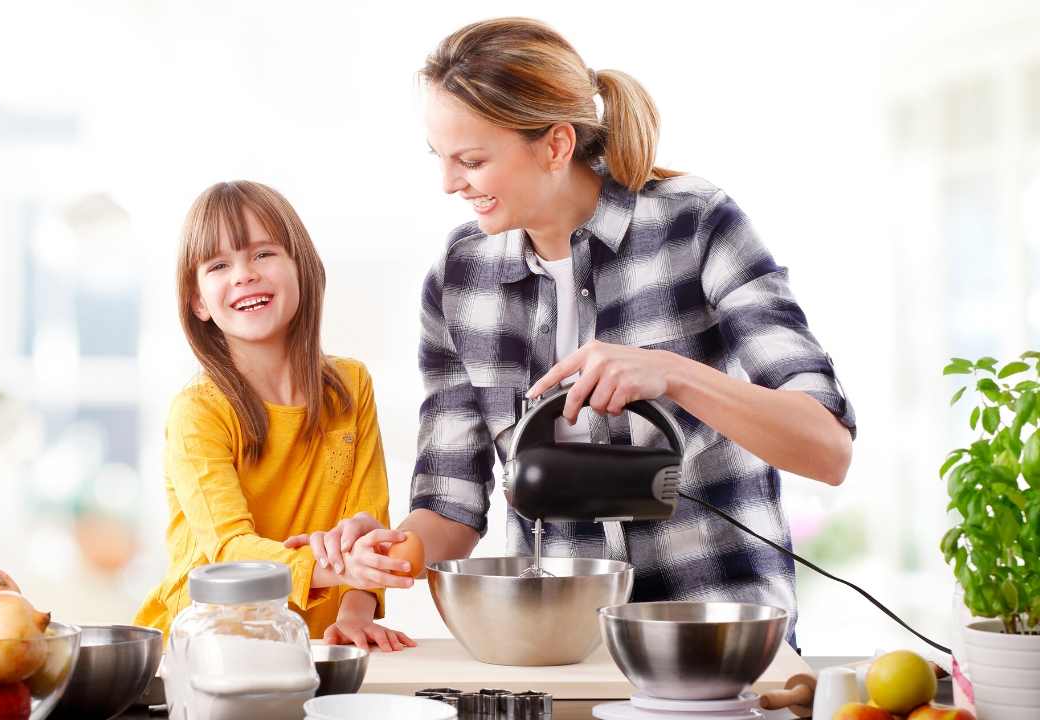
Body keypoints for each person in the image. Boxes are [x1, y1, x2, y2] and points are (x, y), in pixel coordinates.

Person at [304, 17, 855, 645]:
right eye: (441, 158)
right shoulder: (459, 279)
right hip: (555, 649)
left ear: (556, 145)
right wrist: (388, 552)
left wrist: (672, 372)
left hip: (713, 642)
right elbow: (451, 503)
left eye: (472, 160)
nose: (449, 183)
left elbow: (827, 447)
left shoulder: (696, 225)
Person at [134, 180, 415, 652]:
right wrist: (339, 567)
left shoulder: (351, 388)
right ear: (198, 302)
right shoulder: (198, 412)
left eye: (263, 254)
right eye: (219, 265)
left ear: (300, 267)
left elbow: (368, 524)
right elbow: (228, 552)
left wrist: (354, 612)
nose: (244, 275)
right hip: (201, 651)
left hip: (313, 649)